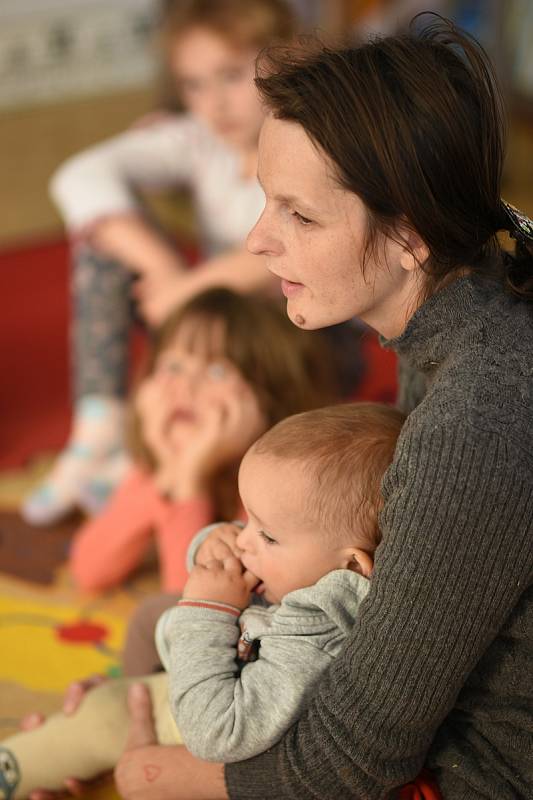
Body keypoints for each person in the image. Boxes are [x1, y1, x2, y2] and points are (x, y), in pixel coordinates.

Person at [97, 14, 531, 800]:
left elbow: (359, 755)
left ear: (408, 234)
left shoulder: (476, 418)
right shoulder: (457, 315)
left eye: (299, 214)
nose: (259, 241)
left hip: (477, 770)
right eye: (266, 201)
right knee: (165, 629)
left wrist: (163, 772)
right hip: (411, 698)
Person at [3, 403, 436, 800]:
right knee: (150, 615)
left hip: (211, 728)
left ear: (354, 569)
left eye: (267, 535)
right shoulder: (306, 571)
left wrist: (208, 611)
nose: (242, 541)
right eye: (247, 518)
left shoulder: (314, 637)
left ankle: (87, 738)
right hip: (202, 673)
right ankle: (115, 718)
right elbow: (227, 549)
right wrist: (209, 546)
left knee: (93, 723)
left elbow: (219, 733)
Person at [21, 0, 297, 526]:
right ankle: (100, 424)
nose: (213, 103)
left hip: (297, 329)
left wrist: (186, 290)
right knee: (104, 246)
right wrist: (167, 274)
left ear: (282, 61)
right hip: (212, 312)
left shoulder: (308, 138)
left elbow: (283, 255)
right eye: (193, 85)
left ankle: (151, 448)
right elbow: (78, 177)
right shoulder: (200, 138)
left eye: (231, 75)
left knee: (222, 312)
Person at [66, 287, 336, 594]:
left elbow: (192, 606)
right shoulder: (170, 458)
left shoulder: (273, 491)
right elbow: (88, 570)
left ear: (268, 397)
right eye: (174, 366)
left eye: (217, 371)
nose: (187, 387)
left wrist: (189, 482)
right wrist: (171, 472)